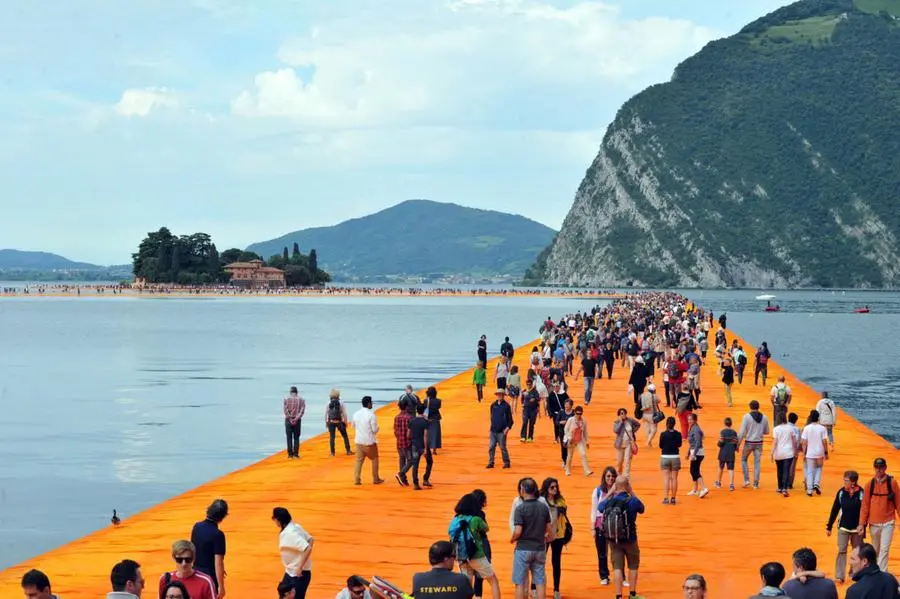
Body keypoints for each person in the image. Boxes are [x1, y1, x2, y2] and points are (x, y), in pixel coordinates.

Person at [596, 475, 645, 599]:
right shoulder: (632, 501)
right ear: (627, 486)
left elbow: (600, 507)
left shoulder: (609, 502)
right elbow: (642, 508)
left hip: (614, 540)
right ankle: (632, 594)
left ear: (615, 486)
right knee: (633, 566)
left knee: (617, 567)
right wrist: (631, 491)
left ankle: (618, 595)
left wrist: (610, 493)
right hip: (630, 539)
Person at [449, 494, 501, 599]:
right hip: (476, 554)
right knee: (493, 580)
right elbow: (486, 529)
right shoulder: (475, 519)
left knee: (467, 586)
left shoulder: (455, 520)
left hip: (461, 556)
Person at [510, 478, 552, 599]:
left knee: (519, 583)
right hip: (539, 549)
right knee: (540, 583)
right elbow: (548, 528)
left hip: (523, 549)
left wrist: (513, 539)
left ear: (523, 490)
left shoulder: (520, 508)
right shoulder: (543, 507)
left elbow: (518, 531)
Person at [858, 457, 900, 572]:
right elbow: (865, 506)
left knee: (884, 550)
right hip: (874, 523)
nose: (879, 470)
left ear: (885, 468)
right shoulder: (869, 485)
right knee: (875, 550)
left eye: (881, 467)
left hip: (888, 522)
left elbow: (898, 503)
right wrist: (862, 524)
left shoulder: (892, 483)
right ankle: (876, 572)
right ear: (874, 468)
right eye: (877, 467)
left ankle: (882, 573)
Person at [828, 470, 864, 583]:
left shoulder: (862, 493)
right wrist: (829, 526)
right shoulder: (841, 492)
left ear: (853, 482)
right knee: (842, 550)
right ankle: (840, 575)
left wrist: (863, 525)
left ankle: (854, 572)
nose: (844, 482)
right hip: (843, 527)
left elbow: (865, 510)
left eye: (846, 480)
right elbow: (835, 509)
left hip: (857, 528)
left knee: (857, 552)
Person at [273, 507, 313, 599]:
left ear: (278, 520)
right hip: (290, 571)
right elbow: (310, 539)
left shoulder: (290, 533)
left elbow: (307, 548)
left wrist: (300, 567)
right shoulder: (296, 526)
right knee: (283, 595)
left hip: (298, 574)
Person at [191, 499, 228, 599]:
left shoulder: (196, 527)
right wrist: (221, 586)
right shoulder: (218, 535)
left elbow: (193, 550)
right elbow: (218, 562)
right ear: (223, 516)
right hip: (209, 576)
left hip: (195, 572)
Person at [539, 478, 568, 599]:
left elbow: (562, 509)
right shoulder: (540, 501)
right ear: (546, 489)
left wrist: (555, 506)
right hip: (544, 535)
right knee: (540, 562)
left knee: (556, 563)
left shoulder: (560, 500)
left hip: (558, 535)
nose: (555, 489)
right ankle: (534, 587)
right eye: (552, 487)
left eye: (556, 487)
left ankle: (556, 590)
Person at [591, 467, 619, 585]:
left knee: (617, 551)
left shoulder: (620, 491)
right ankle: (604, 575)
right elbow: (594, 510)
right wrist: (592, 527)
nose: (610, 478)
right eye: (608, 476)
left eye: (612, 476)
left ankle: (621, 575)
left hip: (616, 524)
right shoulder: (597, 491)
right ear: (604, 477)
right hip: (600, 524)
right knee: (602, 552)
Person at [397, 402, 433, 489]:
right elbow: (425, 436)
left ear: (417, 411)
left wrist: (412, 440)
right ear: (424, 411)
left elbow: (408, 435)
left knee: (415, 464)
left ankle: (416, 484)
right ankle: (425, 479)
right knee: (429, 462)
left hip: (414, 446)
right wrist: (425, 448)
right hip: (422, 446)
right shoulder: (425, 422)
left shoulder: (412, 421)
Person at [352, 396, 384, 486]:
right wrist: (378, 428)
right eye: (371, 402)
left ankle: (356, 479)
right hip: (369, 442)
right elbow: (374, 430)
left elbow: (353, 426)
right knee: (374, 459)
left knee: (359, 460)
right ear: (369, 404)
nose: (372, 404)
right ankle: (376, 478)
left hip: (359, 441)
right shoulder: (371, 415)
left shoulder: (356, 414)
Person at [738, 400, 770, 489]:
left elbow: (741, 432)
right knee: (757, 463)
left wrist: (738, 444)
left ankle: (746, 480)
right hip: (759, 443)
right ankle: (756, 483)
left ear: (750, 407)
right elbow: (767, 431)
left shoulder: (746, 417)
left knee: (744, 460)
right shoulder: (765, 417)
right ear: (758, 407)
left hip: (748, 442)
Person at [801, 409, 829, 497]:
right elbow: (824, 441)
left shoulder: (806, 428)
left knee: (810, 471)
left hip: (810, 452)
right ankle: (816, 483)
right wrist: (826, 452)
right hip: (820, 452)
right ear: (818, 418)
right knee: (819, 468)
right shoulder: (822, 428)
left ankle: (809, 490)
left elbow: (804, 442)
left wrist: (804, 453)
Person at [659, 416, 683, 505]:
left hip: (665, 457)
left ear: (667, 424)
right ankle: (673, 498)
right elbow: (679, 445)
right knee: (674, 479)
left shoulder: (663, 434)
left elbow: (661, 446)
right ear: (674, 424)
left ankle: (666, 498)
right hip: (675, 457)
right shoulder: (678, 434)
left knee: (666, 479)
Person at [563, 405, 593, 477]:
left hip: (579, 440)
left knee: (583, 454)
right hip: (571, 440)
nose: (579, 415)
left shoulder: (584, 420)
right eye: (577, 413)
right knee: (570, 456)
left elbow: (585, 432)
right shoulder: (571, 420)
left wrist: (587, 441)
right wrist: (569, 438)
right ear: (575, 413)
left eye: (580, 414)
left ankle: (587, 471)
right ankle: (567, 470)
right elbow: (565, 429)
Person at [487, 389, 513, 469]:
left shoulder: (506, 406)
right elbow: (492, 416)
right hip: (493, 430)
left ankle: (507, 462)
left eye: (501, 394)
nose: (499, 396)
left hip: (502, 431)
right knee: (491, 447)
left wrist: (507, 429)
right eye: (498, 394)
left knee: (502, 447)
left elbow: (510, 420)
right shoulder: (493, 405)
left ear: (503, 395)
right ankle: (491, 462)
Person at [686, 413, 709, 499]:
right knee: (694, 470)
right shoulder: (693, 428)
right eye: (688, 419)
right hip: (696, 452)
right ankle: (695, 489)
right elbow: (692, 443)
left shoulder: (695, 429)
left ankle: (703, 488)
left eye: (691, 419)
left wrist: (693, 454)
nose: (689, 421)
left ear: (695, 420)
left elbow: (698, 442)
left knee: (694, 471)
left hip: (697, 453)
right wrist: (688, 453)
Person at [612, 408, 640, 479]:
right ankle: (618, 474)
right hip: (620, 444)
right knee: (619, 462)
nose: (623, 414)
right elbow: (616, 430)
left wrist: (633, 431)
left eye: (623, 413)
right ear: (619, 415)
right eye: (621, 413)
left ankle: (626, 476)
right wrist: (621, 422)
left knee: (627, 460)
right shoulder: (617, 422)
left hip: (629, 444)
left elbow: (638, 424)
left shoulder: (630, 420)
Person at [325, 389, 352, 457]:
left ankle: (332, 453)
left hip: (331, 422)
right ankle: (348, 450)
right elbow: (344, 413)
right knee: (345, 436)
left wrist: (326, 423)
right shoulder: (341, 402)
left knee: (332, 437)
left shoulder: (328, 403)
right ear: (338, 395)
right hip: (339, 421)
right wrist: (345, 422)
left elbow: (326, 414)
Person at [283, 386, 306, 459]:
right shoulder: (302, 400)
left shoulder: (286, 399)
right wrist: (296, 419)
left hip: (288, 420)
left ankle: (290, 455)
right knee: (296, 437)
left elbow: (285, 410)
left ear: (290, 392)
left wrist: (290, 418)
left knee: (289, 437)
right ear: (297, 392)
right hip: (297, 421)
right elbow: (302, 411)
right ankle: (296, 455)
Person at [424, 386, 444, 453]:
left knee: (427, 434)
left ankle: (427, 448)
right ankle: (434, 449)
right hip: (435, 418)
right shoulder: (438, 401)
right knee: (435, 434)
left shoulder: (426, 400)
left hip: (428, 418)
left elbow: (425, 407)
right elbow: (438, 407)